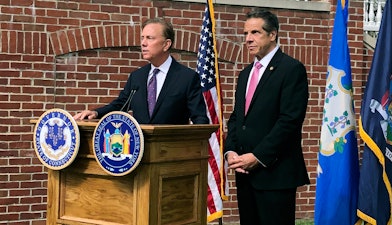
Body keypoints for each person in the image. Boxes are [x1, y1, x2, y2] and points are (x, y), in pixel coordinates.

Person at [224, 9, 310, 225]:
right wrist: (231, 150)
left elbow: (289, 121)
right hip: (245, 174)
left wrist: (258, 156)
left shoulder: (291, 69)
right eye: (245, 34)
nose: (248, 39)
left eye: (255, 32)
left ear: (273, 35)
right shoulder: (245, 73)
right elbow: (237, 118)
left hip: (275, 175)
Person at [73, 18, 209, 125]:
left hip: (172, 153)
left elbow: (200, 119)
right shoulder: (137, 77)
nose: (143, 43)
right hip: (140, 153)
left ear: (166, 44)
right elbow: (121, 105)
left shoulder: (187, 78)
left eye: (149, 38)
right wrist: (96, 113)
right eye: (142, 38)